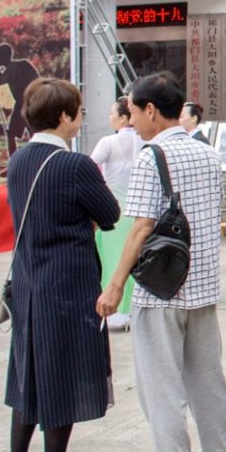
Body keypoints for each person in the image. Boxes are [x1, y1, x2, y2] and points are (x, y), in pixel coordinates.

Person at [96, 72, 226, 452]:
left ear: (151, 110)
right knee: (206, 375)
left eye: (134, 112)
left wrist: (116, 283)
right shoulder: (206, 153)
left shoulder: (151, 157)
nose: (131, 121)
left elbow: (139, 227)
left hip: (160, 291)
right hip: (202, 285)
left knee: (160, 386)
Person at [3, 78, 120, 452]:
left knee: (28, 371)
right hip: (67, 283)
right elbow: (109, 214)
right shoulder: (74, 165)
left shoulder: (18, 161)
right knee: (62, 372)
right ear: (64, 116)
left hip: (28, 280)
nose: (80, 118)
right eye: (78, 111)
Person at [90, 97, 142, 330]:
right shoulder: (145, 142)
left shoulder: (108, 142)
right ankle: (133, 311)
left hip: (115, 212)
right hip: (139, 211)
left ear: (123, 117)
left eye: (113, 113)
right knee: (134, 260)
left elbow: (90, 169)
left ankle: (113, 312)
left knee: (112, 261)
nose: (109, 117)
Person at [0, 43, 40, 157]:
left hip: (25, 105)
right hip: (27, 104)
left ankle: (18, 161)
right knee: (26, 133)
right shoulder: (17, 66)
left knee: (16, 133)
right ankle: (22, 161)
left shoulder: (13, 67)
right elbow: (1, 81)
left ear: (6, 56)